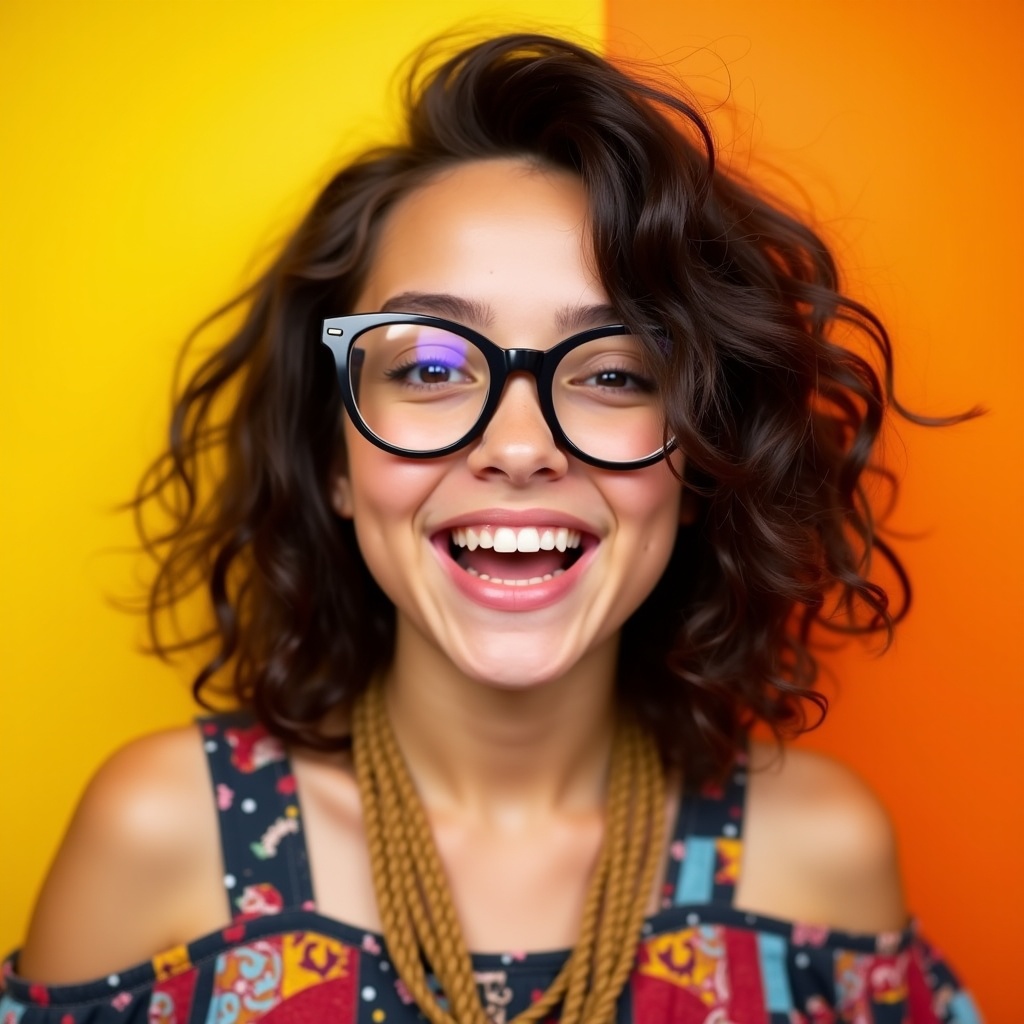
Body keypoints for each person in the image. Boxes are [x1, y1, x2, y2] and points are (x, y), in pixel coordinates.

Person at [1, 32, 981, 1024]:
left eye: (614, 373)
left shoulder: (818, 855)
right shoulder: (165, 836)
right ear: (334, 456)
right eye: (427, 366)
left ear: (698, 463)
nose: (519, 447)